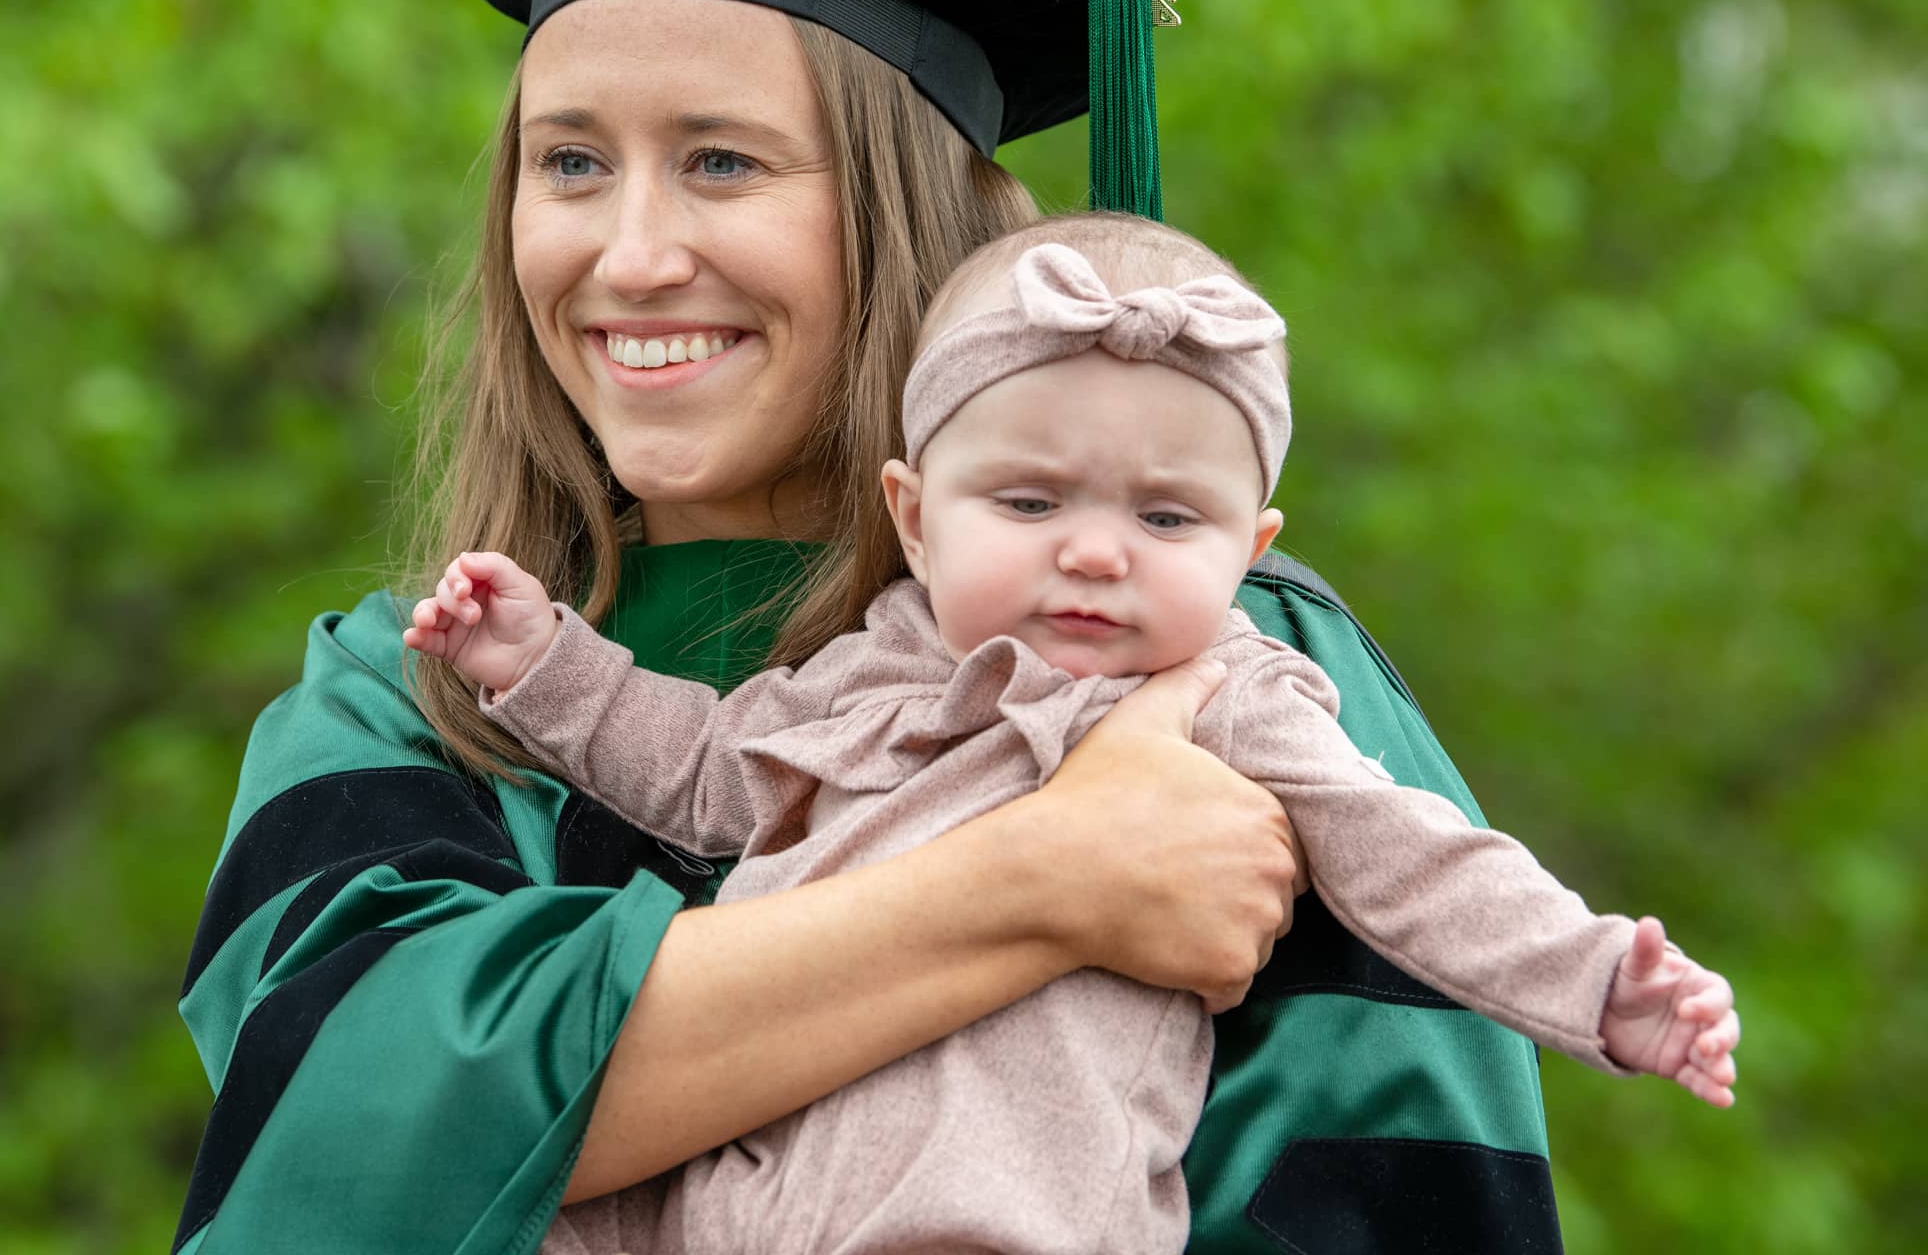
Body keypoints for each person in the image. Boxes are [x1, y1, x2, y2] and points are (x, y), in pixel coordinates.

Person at [174, 0, 1581, 1254]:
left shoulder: (1214, 665)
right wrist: (1041, 882)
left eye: (722, 162)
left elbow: (1401, 1208)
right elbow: (334, 1158)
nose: (631, 254)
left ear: (908, 219)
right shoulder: (415, 691)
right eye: (571, 164)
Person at [405, 221, 1740, 1253]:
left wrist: (1597, 984)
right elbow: (702, 773)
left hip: (997, 1215)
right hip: (726, 1203)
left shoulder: (1229, 700)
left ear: (1250, 549)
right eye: (1031, 499)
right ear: (916, 519)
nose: (1096, 553)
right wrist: (540, 663)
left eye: (1167, 522)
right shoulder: (869, 675)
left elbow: (1419, 862)